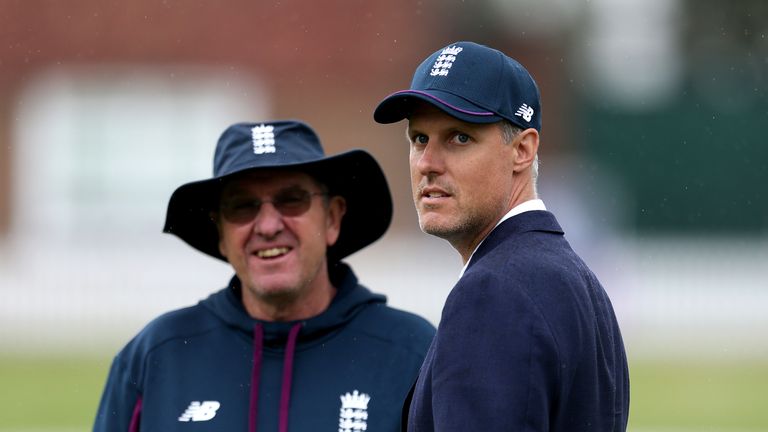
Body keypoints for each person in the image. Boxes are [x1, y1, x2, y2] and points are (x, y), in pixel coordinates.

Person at [93, 120, 436, 431]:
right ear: (221, 235)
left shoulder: (411, 353)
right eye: (242, 207)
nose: (269, 226)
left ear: (332, 218)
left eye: (292, 200)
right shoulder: (157, 356)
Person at [373, 41, 630, 431]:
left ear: (523, 150)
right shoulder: (573, 279)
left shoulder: (493, 291)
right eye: (419, 139)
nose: (427, 163)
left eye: (459, 137)